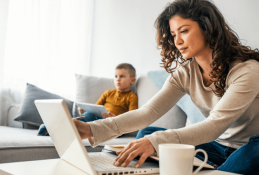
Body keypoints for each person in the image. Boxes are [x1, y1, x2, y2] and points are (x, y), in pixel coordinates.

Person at [73, 0, 259, 174]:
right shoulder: (185, 73)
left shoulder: (248, 70)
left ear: (207, 28)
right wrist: (91, 129)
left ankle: (218, 168)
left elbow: (215, 124)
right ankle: (213, 166)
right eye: (173, 34)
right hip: (216, 146)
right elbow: (148, 112)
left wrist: (156, 141)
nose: (177, 41)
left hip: (251, 146)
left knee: (154, 141)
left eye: (184, 31)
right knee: (146, 134)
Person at [38, 63, 138, 136]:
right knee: (88, 116)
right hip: (97, 117)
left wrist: (116, 119)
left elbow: (131, 117)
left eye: (122, 76)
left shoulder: (132, 96)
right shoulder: (108, 93)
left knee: (88, 122)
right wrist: (85, 110)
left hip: (114, 124)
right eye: (116, 76)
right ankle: (54, 128)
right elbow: (96, 107)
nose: (118, 79)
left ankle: (52, 128)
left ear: (132, 80)